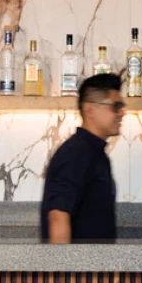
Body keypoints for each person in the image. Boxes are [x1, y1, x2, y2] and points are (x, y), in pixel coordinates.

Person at [41, 73, 124, 243]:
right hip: (77, 269)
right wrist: (63, 270)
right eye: (116, 106)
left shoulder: (95, 154)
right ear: (90, 110)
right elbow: (58, 216)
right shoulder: (76, 153)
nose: (122, 112)